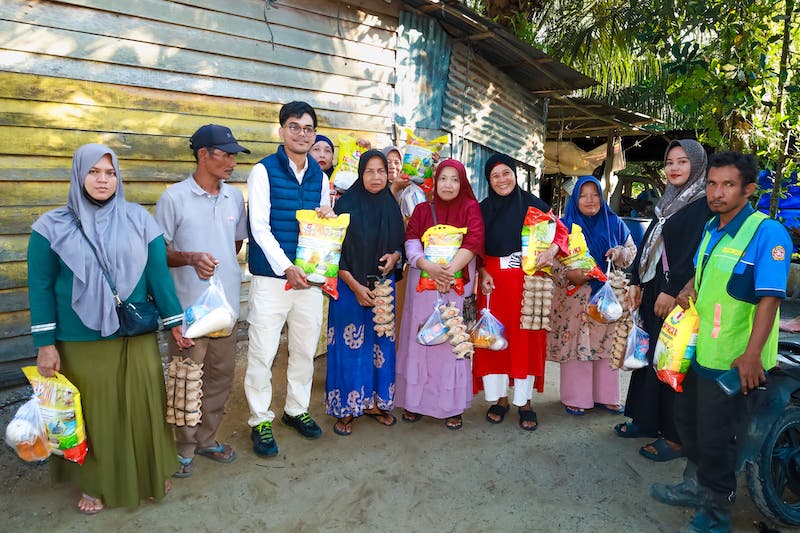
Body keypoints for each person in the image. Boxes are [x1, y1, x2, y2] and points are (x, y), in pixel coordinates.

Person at [28, 144, 192, 513]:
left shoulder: (139, 219)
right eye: (94, 172)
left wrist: (175, 322)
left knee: (143, 406)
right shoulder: (50, 227)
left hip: (135, 333)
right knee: (97, 413)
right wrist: (45, 343)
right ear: (78, 175)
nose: (103, 180)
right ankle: (96, 484)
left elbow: (158, 275)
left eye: (110, 173)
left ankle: (150, 473)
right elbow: (39, 287)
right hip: (80, 338)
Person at [651, 151, 791, 533]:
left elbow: (770, 299)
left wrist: (751, 356)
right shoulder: (712, 228)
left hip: (734, 362)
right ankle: (696, 487)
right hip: (702, 352)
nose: (717, 192)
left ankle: (715, 518)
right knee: (688, 425)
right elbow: (704, 274)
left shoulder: (766, 233)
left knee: (718, 442)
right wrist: (687, 288)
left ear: (748, 189)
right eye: (712, 184)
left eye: (728, 184)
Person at [154, 124, 249, 477]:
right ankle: (183, 449)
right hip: (188, 313)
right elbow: (158, 253)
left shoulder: (234, 198)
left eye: (234, 155)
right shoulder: (173, 198)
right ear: (203, 154)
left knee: (220, 378)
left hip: (225, 311)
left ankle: (207, 439)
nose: (232, 163)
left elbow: (235, 244)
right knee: (185, 381)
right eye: (226, 155)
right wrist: (191, 258)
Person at [245, 101, 334, 457]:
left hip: (309, 281)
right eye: (294, 126)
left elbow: (321, 229)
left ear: (314, 135)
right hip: (272, 279)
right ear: (281, 130)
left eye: (308, 128)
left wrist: (327, 217)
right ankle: (259, 419)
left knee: (304, 349)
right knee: (262, 352)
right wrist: (286, 267)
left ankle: (296, 409)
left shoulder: (320, 178)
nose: (301, 134)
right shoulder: (263, 171)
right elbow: (259, 227)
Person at [619, 139, 713, 462]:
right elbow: (649, 245)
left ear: (697, 165)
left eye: (682, 161)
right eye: (670, 162)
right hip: (653, 286)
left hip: (677, 292)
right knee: (650, 356)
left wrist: (671, 290)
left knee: (672, 359)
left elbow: (694, 253)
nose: (674, 168)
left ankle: (674, 438)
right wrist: (635, 280)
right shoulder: (668, 202)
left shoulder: (702, 205)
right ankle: (645, 420)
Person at [473, 153, 568, 430]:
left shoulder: (533, 205)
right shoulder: (482, 209)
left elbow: (561, 231)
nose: (502, 180)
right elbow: (473, 246)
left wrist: (551, 251)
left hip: (529, 285)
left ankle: (525, 402)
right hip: (493, 285)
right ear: (488, 180)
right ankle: (501, 399)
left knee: (526, 340)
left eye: (506, 173)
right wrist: (482, 271)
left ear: (515, 175)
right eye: (495, 176)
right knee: (495, 338)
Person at [395, 159, 484, 430]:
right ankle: (415, 402)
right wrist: (429, 267)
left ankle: (450, 406)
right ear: (435, 182)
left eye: (454, 179)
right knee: (421, 337)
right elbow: (411, 240)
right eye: (443, 178)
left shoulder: (470, 208)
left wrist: (449, 272)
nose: (448, 184)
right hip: (423, 283)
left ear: (462, 183)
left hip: (455, 286)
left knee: (451, 341)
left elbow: (474, 241)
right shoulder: (423, 209)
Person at [324, 150, 405, 435]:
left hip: (382, 289)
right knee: (350, 349)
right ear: (361, 173)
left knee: (380, 347)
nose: (376, 177)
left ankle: (373, 404)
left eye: (381, 171)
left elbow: (400, 244)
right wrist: (355, 286)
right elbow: (333, 253)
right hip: (349, 289)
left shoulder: (390, 206)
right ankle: (346, 408)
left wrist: (395, 257)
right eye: (369, 171)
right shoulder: (346, 204)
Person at [547, 176, 636, 415]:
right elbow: (549, 261)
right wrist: (569, 273)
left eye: (595, 194)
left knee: (608, 344)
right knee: (577, 345)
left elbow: (631, 250)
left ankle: (607, 396)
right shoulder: (563, 226)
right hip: (574, 297)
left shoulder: (614, 222)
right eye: (583, 195)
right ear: (575, 199)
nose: (590, 200)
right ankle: (576, 397)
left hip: (607, 296)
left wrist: (619, 253)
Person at [385, 145, 426, 221]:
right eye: (387, 162)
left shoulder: (410, 185)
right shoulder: (376, 188)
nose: (392, 166)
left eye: (397, 162)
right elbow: (384, 214)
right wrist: (395, 188)